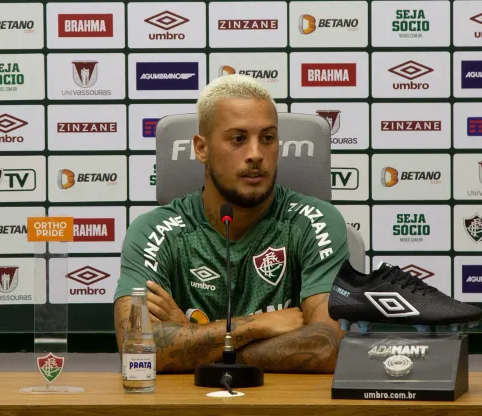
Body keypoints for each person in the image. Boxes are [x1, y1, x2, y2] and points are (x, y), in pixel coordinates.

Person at [113, 74, 349, 374]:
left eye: (267, 138)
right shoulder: (155, 231)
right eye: (238, 139)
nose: (255, 154)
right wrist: (257, 326)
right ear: (201, 148)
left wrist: (195, 337)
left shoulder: (315, 220)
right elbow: (136, 348)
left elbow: (325, 346)